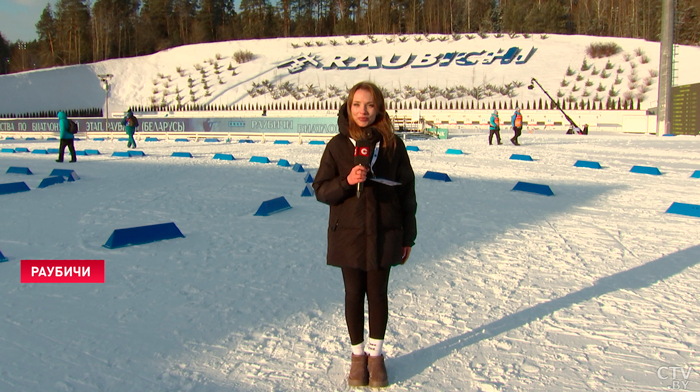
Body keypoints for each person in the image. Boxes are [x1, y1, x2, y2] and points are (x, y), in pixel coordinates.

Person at [312, 81, 417, 388]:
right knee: (354, 294)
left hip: (385, 232)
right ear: (348, 107)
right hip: (349, 234)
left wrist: (408, 237)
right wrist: (346, 181)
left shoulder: (393, 145)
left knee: (379, 294)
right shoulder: (337, 145)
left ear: (379, 108)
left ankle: (376, 355)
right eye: (357, 104)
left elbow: (408, 193)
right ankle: (358, 357)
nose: (363, 111)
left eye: (370, 105)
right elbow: (321, 190)